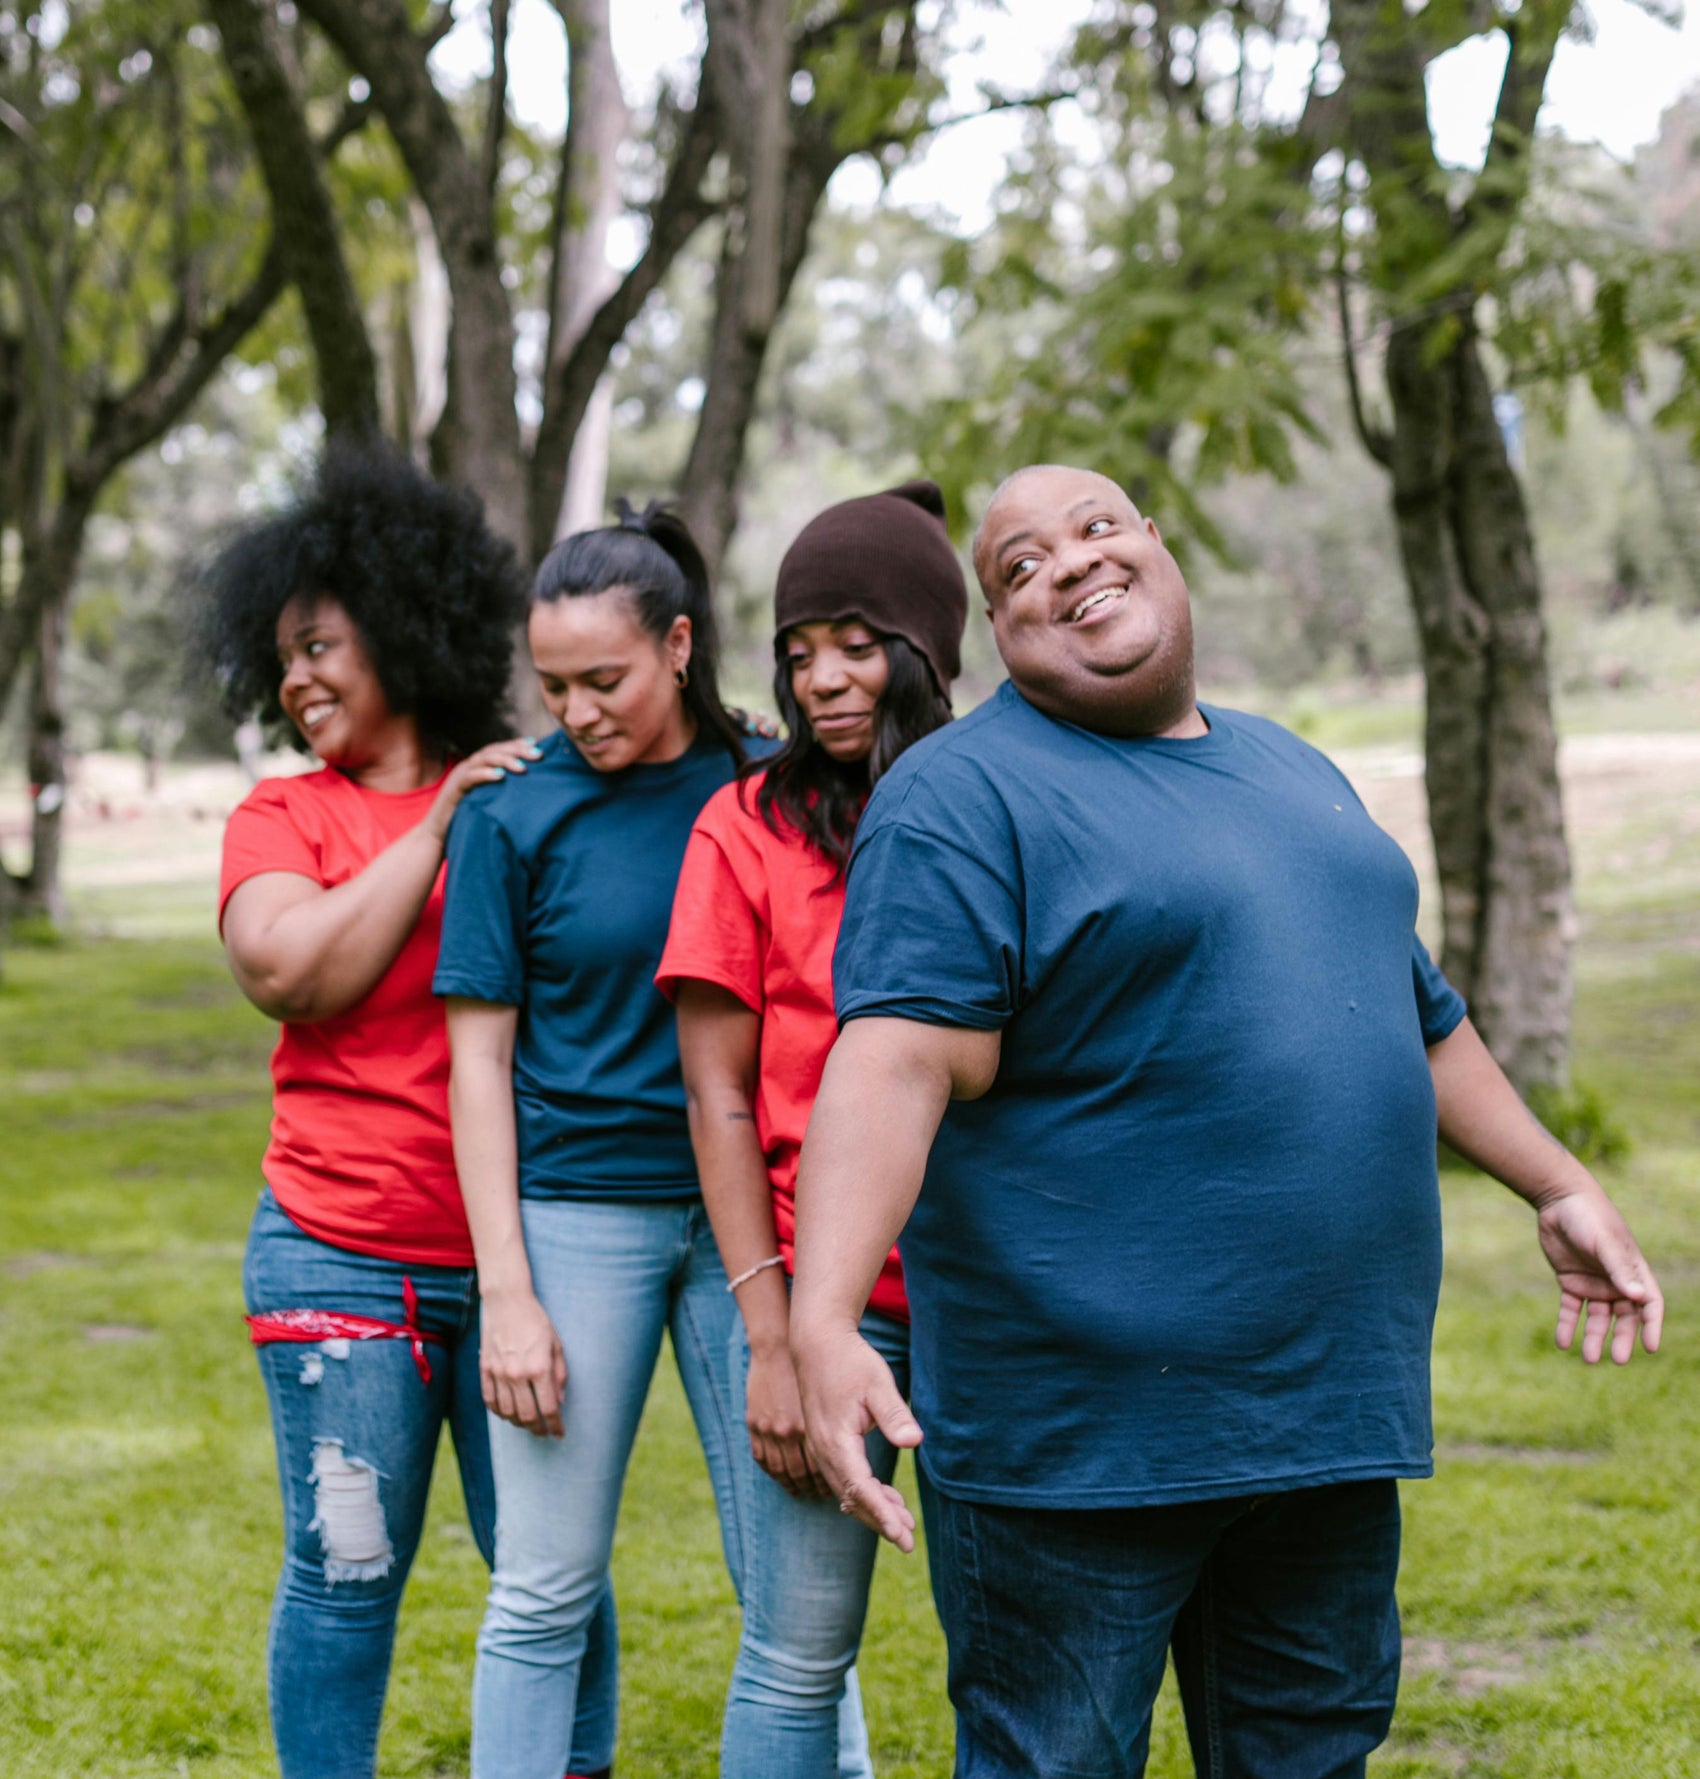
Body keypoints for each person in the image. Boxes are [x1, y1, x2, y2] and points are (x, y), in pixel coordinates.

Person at [790, 463, 1664, 1779]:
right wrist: (821, 1317)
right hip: (1078, 1445)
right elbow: (894, 1063)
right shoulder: (961, 795)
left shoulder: (1294, 768)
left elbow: (1416, 1012)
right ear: (997, 631)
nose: (1068, 563)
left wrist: (1556, 1178)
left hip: (1321, 1418)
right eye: (1020, 566)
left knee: (1310, 1754)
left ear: (1156, 540)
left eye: (1095, 527)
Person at [441, 504, 877, 1779]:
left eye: (605, 680)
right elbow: (475, 1062)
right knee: (542, 1588)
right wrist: (507, 1293)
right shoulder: (511, 816)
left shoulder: (768, 784)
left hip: (766, 1222)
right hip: (583, 1222)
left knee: (797, 1596)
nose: (575, 710)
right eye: (553, 684)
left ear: (679, 644)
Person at [206, 442, 617, 1779]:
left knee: (556, 1571)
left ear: (401, 626)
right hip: (342, 1254)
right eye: (282, 657)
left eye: (321, 643)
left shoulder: (529, 792)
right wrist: (432, 824)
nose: (298, 677)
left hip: (528, 1265)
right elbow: (289, 969)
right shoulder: (287, 815)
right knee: (346, 1569)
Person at [657, 483, 968, 1778]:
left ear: (925, 647)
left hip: (1004, 1304)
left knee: (1013, 1656)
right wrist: (775, 1336)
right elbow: (719, 1094)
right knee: (796, 1655)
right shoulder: (745, 823)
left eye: (856, 640)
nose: (824, 678)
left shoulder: (992, 800)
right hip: (817, 1292)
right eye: (798, 650)